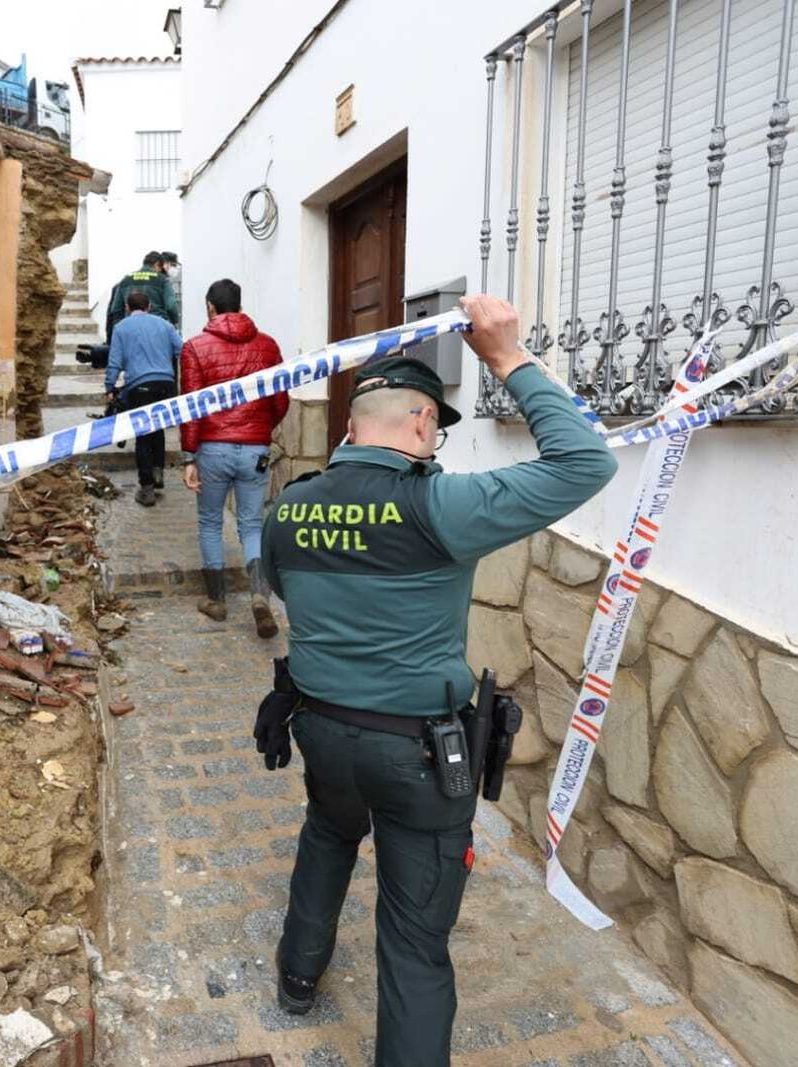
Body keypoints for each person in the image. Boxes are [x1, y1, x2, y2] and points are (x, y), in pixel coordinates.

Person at [258, 295, 618, 1067]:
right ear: (424, 424)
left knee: (326, 834)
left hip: (320, 727)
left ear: (353, 427)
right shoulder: (445, 504)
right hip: (420, 753)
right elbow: (587, 461)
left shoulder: (291, 507)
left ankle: (296, 976)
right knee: (416, 944)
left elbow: (282, 588)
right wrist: (506, 357)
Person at [179, 278, 288, 636]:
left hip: (212, 447)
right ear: (240, 305)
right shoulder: (268, 346)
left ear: (210, 306)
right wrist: (259, 430)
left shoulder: (195, 347)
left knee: (210, 521)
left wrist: (189, 456)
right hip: (254, 447)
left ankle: (218, 601)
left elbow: (191, 407)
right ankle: (259, 596)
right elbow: (280, 401)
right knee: (252, 523)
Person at [105, 287, 182, 506]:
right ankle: (158, 472)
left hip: (139, 387)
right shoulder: (165, 325)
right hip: (165, 385)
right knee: (158, 430)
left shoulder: (121, 328)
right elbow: (182, 350)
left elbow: (115, 362)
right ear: (149, 307)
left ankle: (146, 486)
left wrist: (109, 387)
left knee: (142, 435)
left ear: (128, 308)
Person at [106, 251, 180, 343]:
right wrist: (173, 323)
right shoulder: (162, 280)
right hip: (157, 331)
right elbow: (171, 306)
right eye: (160, 268)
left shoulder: (126, 279)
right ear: (157, 264)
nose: (160, 271)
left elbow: (116, 309)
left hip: (131, 330)